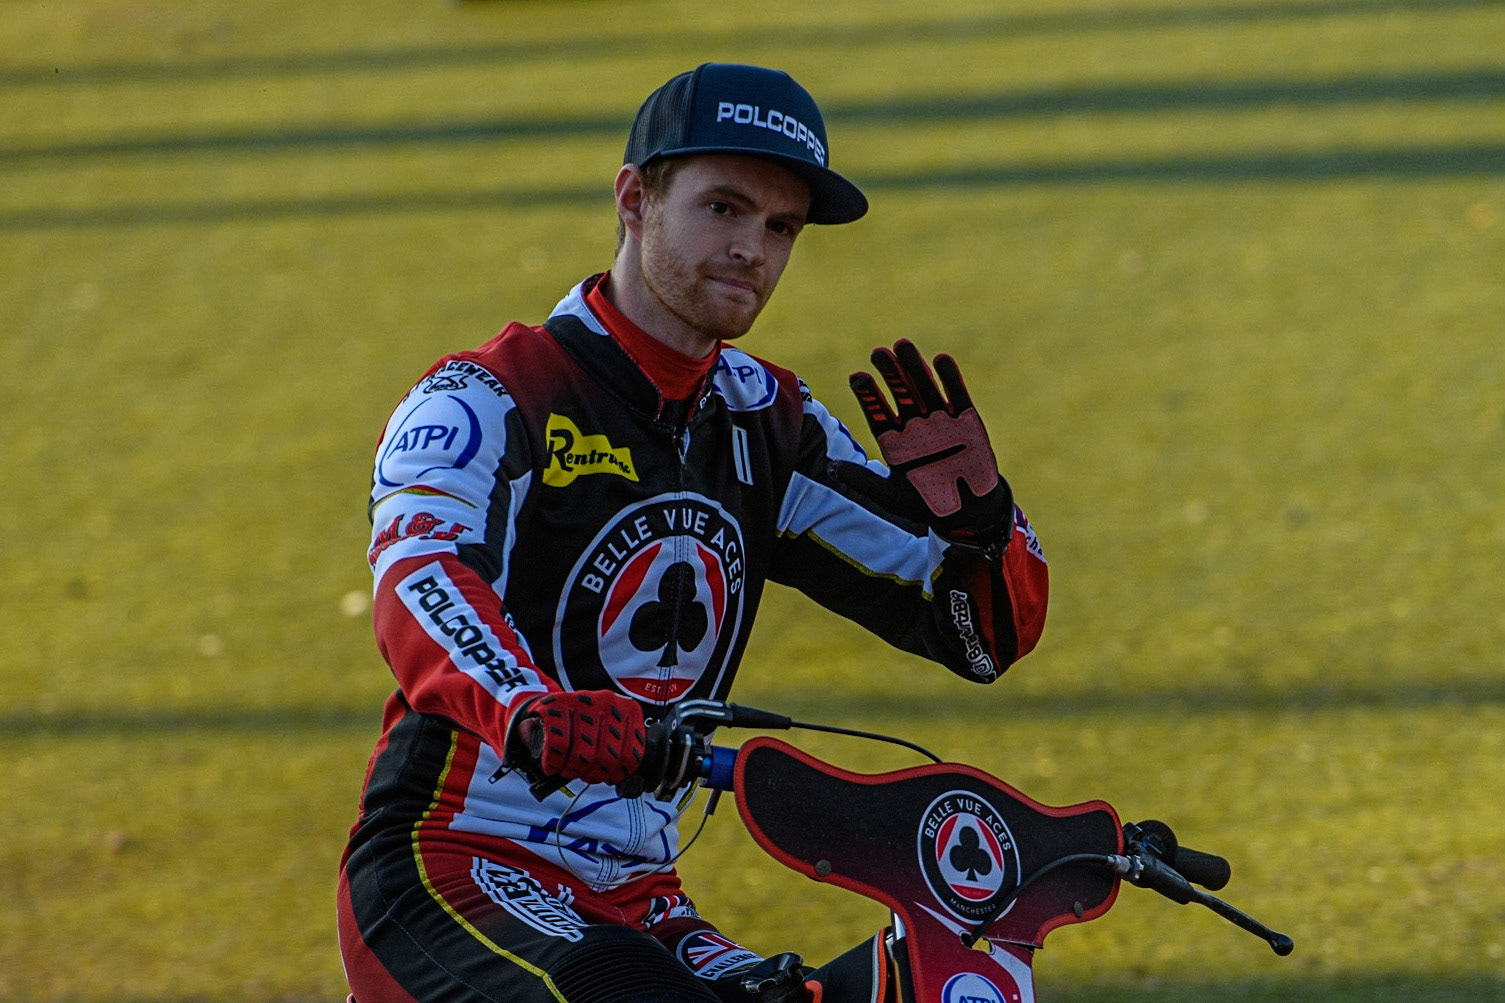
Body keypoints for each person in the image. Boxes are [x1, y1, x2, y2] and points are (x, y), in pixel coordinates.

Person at [337, 62, 1049, 1003]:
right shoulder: (489, 396)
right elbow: (421, 577)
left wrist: (982, 521)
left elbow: (976, 635)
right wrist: (527, 707)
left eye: (780, 227)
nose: (752, 248)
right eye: (723, 208)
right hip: (454, 863)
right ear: (634, 199)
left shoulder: (768, 420)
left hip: (638, 894)